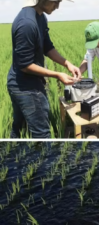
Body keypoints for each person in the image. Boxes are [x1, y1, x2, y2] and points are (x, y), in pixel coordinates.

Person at [7, 0, 82, 139]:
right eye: (55, 2)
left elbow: (47, 47)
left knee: (19, 129)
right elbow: (25, 65)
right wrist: (57, 74)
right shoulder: (27, 23)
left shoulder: (40, 16)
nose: (57, 6)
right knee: (42, 135)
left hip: (21, 83)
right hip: (27, 88)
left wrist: (67, 64)